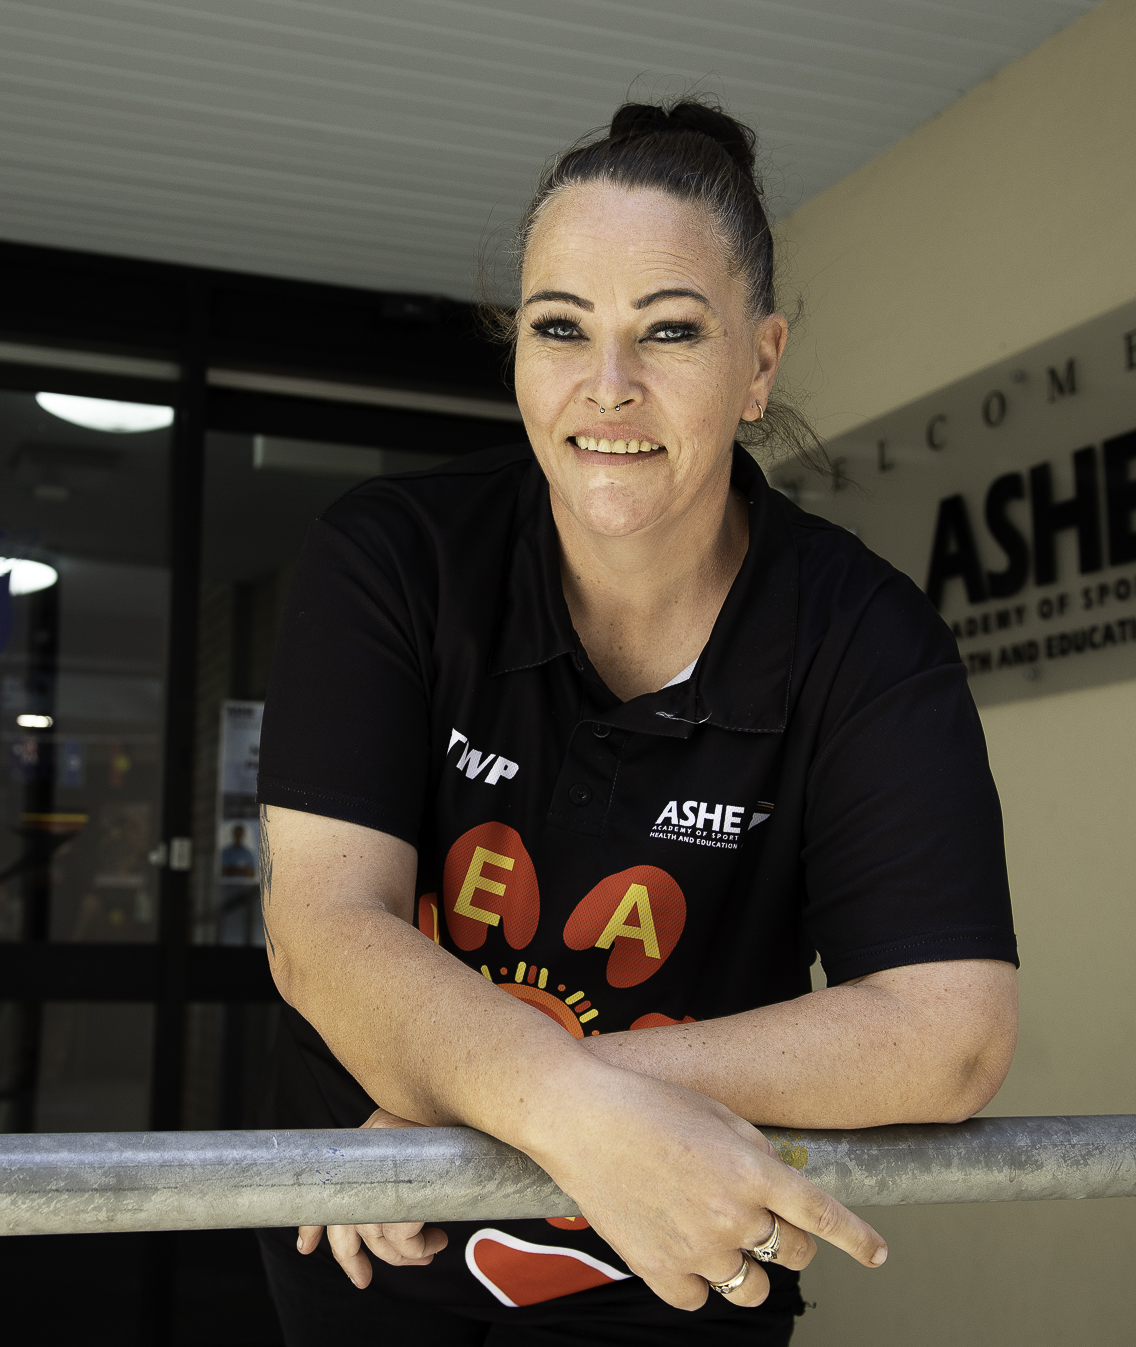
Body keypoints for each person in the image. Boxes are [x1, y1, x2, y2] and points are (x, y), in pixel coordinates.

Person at [254, 98, 1019, 1346]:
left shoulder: (861, 635)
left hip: (675, 1272)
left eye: (669, 330)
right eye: (561, 326)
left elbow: (947, 1034)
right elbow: (321, 932)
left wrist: (502, 1099)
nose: (606, 387)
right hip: (367, 1253)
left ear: (757, 363)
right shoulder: (394, 559)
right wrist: (536, 1098)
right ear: (516, 351)